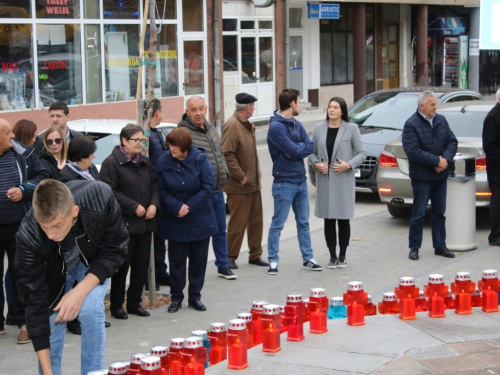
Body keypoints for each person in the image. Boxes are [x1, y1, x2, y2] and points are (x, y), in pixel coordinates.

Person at [15, 179, 128, 375]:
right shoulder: (28, 235)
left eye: (57, 225)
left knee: (90, 310)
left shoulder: (100, 197)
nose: (50, 234)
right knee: (52, 326)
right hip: (53, 272)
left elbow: (116, 248)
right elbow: (35, 304)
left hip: (92, 263)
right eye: (45, 227)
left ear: (74, 211)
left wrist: (80, 291)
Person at [100, 124, 160, 320]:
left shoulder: (144, 161)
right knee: (121, 268)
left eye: (143, 140)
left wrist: (153, 205)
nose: (141, 144)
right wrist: (133, 206)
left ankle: (135, 303)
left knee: (141, 266)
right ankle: (117, 305)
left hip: (145, 223)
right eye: (137, 140)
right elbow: (110, 192)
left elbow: (154, 186)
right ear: (124, 141)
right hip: (123, 225)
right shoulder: (112, 163)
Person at [156, 128, 217, 313]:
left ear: (185, 146)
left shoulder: (200, 159)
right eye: (170, 145)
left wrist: (189, 206)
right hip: (175, 219)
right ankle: (176, 298)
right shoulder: (163, 161)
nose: (172, 149)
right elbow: (161, 190)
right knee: (176, 262)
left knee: (198, 261)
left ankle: (195, 297)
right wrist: (176, 207)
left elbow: (208, 187)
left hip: (199, 217)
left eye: (175, 146)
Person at [0, 119, 48, 343]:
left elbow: (41, 178)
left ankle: (24, 323)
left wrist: (23, 189)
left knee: (23, 274)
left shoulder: (25, 154)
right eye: (7, 132)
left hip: (20, 226)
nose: (12, 136)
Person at [178, 96, 237, 279]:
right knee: (197, 234)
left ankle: (223, 264)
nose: (198, 113)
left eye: (201, 109)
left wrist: (224, 173)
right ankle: (192, 271)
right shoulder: (183, 133)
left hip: (217, 190)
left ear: (206, 109)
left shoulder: (211, 128)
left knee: (220, 229)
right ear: (187, 112)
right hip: (198, 194)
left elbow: (219, 153)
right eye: (194, 110)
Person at [266, 88, 322, 275]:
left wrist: (295, 149)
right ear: (292, 103)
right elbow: (299, 149)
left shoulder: (296, 124)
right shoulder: (276, 127)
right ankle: (273, 260)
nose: (299, 105)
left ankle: (308, 258)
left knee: (303, 222)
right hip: (284, 183)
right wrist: (297, 149)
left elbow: (309, 146)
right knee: (278, 223)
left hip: (300, 181)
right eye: (298, 101)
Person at [309, 97, 367, 268]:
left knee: (343, 220)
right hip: (325, 181)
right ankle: (332, 256)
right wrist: (316, 164)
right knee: (328, 220)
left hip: (343, 180)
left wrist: (348, 165)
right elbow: (311, 153)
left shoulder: (351, 128)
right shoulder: (319, 128)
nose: (331, 110)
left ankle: (342, 255)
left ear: (342, 111)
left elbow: (362, 152)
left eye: (335, 107)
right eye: (329, 107)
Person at [402, 90, 458, 261]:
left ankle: (440, 245)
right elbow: (412, 151)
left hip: (440, 176)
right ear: (422, 106)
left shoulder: (441, 120)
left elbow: (452, 141)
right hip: (422, 178)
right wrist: (436, 161)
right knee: (418, 213)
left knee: (439, 212)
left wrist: (445, 160)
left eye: (435, 103)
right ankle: (414, 247)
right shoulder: (411, 124)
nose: (436, 107)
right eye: (432, 104)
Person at [221, 93, 268, 270]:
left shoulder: (247, 125)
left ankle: (255, 255)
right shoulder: (232, 125)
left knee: (256, 221)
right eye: (252, 105)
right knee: (238, 223)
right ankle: (230, 256)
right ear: (246, 107)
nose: (254, 108)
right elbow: (227, 154)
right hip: (239, 185)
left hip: (253, 184)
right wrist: (240, 175)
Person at [147, 99, 170, 290]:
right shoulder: (147, 135)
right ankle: (151, 276)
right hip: (151, 193)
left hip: (159, 192)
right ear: (157, 113)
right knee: (153, 239)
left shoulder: (156, 133)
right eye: (162, 111)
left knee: (161, 236)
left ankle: (160, 272)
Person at [482, 87, 500, 246]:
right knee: (497, 203)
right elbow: (489, 145)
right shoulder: (493, 117)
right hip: (497, 171)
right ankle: (495, 236)